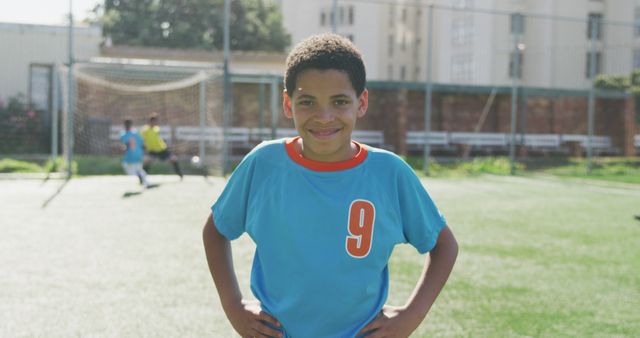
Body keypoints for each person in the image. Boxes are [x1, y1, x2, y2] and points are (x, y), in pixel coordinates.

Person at [202, 33, 458, 338]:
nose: (324, 117)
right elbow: (216, 230)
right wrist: (233, 306)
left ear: (361, 102)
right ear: (288, 103)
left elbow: (444, 245)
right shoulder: (263, 164)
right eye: (307, 102)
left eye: (339, 102)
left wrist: (410, 317)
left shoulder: (390, 173)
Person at [140, 112, 183, 179]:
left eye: (156, 121)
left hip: (162, 149)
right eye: (154, 121)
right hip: (152, 151)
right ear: (151, 121)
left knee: (174, 159)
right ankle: (142, 177)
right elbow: (141, 138)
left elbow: (158, 139)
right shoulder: (145, 129)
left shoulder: (157, 129)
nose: (156, 123)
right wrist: (143, 146)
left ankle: (180, 174)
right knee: (147, 161)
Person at [120, 118, 150, 188]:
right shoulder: (136, 133)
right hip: (136, 154)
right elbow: (143, 144)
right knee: (138, 169)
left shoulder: (124, 134)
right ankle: (144, 181)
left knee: (131, 169)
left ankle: (144, 180)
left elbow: (126, 146)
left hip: (131, 155)